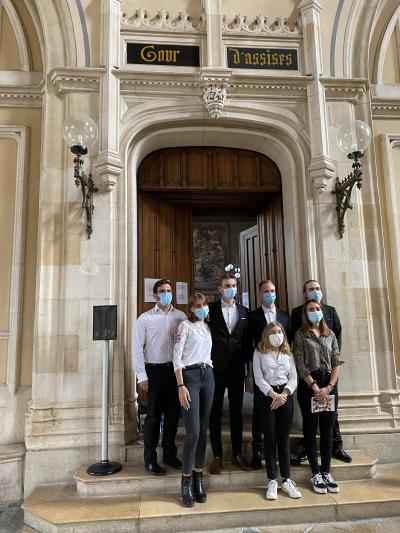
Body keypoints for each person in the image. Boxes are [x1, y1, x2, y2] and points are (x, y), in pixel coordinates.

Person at [290, 279, 351, 463]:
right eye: (311, 289)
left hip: (330, 372)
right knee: (309, 417)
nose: (315, 291)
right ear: (304, 293)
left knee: (331, 415)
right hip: (309, 375)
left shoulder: (330, 310)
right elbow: (295, 341)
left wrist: (332, 363)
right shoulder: (297, 313)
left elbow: (337, 335)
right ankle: (308, 450)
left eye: (317, 288)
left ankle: (336, 446)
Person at [133, 279, 186, 476]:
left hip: (175, 371)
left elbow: (186, 344)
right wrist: (141, 376)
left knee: (173, 415)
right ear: (154, 294)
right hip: (154, 371)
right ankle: (150, 459)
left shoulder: (180, 316)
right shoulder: (145, 318)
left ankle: (170, 455)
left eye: (169, 291)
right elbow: (137, 347)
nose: (166, 294)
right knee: (153, 417)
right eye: (162, 291)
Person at [293, 299, 341, 494]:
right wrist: (314, 386)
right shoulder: (300, 334)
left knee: (328, 430)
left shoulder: (329, 334)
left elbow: (336, 360)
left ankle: (326, 471)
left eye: (317, 309)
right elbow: (300, 363)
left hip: (329, 385)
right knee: (310, 429)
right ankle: (315, 472)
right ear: (306, 314)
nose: (315, 312)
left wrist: (329, 386)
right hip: (309, 386)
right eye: (311, 310)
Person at [173, 293, 215, 507]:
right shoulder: (184, 326)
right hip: (189, 377)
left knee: (204, 429)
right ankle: (186, 481)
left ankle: (199, 478)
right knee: (193, 432)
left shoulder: (207, 327)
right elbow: (177, 358)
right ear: (190, 309)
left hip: (208, 375)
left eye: (204, 305)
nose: (202, 308)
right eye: (198, 306)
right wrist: (181, 386)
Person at [208, 273, 252, 475]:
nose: (230, 289)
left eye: (233, 285)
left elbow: (246, 342)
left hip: (236, 369)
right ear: (219, 288)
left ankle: (236, 454)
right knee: (215, 412)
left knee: (236, 412)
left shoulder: (244, 311)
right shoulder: (210, 309)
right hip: (215, 369)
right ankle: (217, 456)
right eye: (227, 285)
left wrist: (248, 370)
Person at [253, 321, 301, 500]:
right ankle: (272, 480)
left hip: (285, 396)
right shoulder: (259, 352)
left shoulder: (288, 353)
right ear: (267, 334)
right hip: (268, 397)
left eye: (280, 331)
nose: (277, 334)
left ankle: (287, 479)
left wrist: (285, 394)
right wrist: (274, 395)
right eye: (274, 331)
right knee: (270, 438)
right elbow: (258, 378)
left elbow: (294, 376)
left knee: (283, 439)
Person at [248, 280, 291, 469]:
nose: (270, 294)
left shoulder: (285, 315)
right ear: (260, 294)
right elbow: (247, 342)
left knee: (281, 419)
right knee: (259, 412)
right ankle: (257, 449)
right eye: (266, 291)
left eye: (272, 291)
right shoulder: (253, 316)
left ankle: (279, 452)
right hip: (262, 369)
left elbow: (288, 342)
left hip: (282, 371)